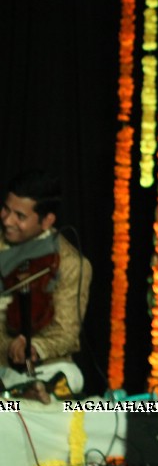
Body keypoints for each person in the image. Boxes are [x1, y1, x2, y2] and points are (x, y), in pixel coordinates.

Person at [0, 170, 92, 396]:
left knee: (64, 377)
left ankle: (34, 393)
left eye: (19, 216)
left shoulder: (70, 264)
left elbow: (66, 331)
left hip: (36, 367)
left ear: (47, 220)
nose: (7, 220)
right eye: (5, 209)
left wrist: (34, 347)